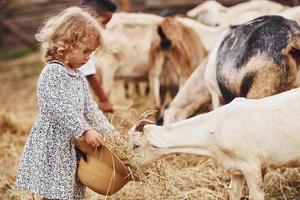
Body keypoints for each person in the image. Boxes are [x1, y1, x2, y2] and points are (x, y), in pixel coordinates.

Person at [15, 7, 115, 200]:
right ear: (67, 43)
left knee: (70, 192)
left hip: (71, 144)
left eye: (91, 53)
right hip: (54, 144)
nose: (88, 57)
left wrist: (109, 132)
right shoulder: (53, 73)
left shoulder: (78, 75)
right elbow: (58, 108)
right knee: (57, 193)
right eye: (85, 51)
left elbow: (89, 107)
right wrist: (84, 130)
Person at [79, 0, 117, 113]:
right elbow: (90, 74)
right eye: (104, 22)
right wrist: (104, 100)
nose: (104, 27)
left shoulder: (73, 30)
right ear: (93, 16)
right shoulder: (83, 37)